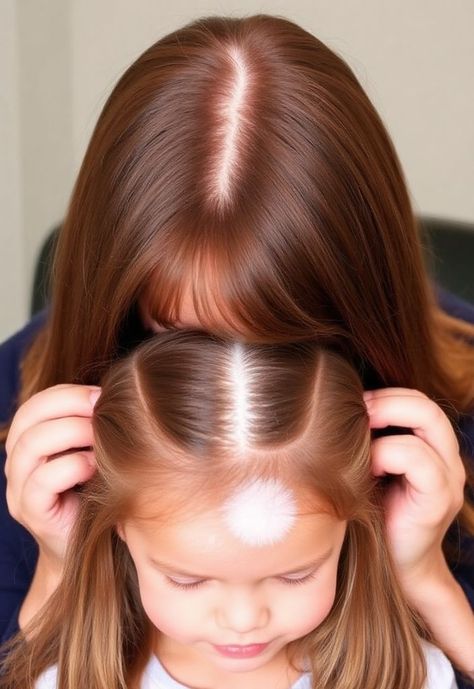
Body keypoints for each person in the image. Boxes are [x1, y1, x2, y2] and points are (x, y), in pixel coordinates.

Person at [0, 13, 473, 684]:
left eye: (289, 343)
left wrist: (429, 583)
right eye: (180, 338)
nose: (235, 388)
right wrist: (61, 569)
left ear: (368, 306)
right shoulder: (33, 427)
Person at [0, 333, 460, 688]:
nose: (243, 620)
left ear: (356, 520)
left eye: (295, 575)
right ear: (117, 526)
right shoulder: (68, 681)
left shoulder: (412, 677)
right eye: (188, 580)